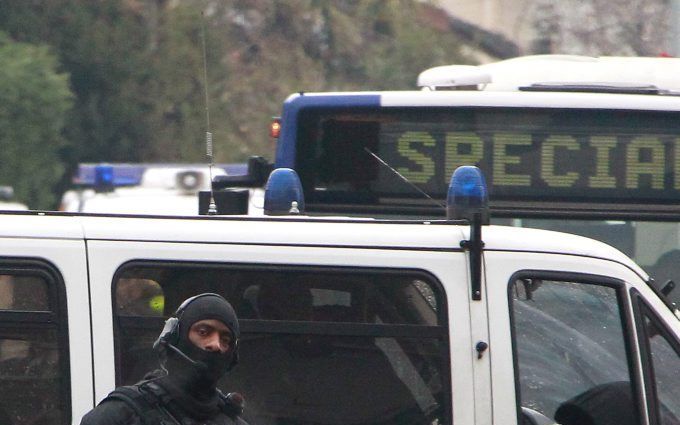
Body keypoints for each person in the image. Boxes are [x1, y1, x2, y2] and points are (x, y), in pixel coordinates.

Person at [80, 293, 248, 425]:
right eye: (204, 332)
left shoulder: (232, 421)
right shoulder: (119, 416)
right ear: (175, 337)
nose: (216, 344)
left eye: (225, 340)